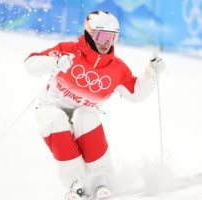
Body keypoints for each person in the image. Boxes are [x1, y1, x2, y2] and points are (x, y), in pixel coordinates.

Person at [24, 11, 165, 200]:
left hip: (84, 110)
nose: (106, 43)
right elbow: (30, 63)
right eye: (102, 36)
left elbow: (135, 93)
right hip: (51, 105)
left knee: (86, 116)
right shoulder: (69, 50)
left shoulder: (116, 68)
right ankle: (77, 183)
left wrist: (151, 73)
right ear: (90, 33)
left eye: (112, 37)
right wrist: (54, 62)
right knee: (55, 120)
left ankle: (101, 180)